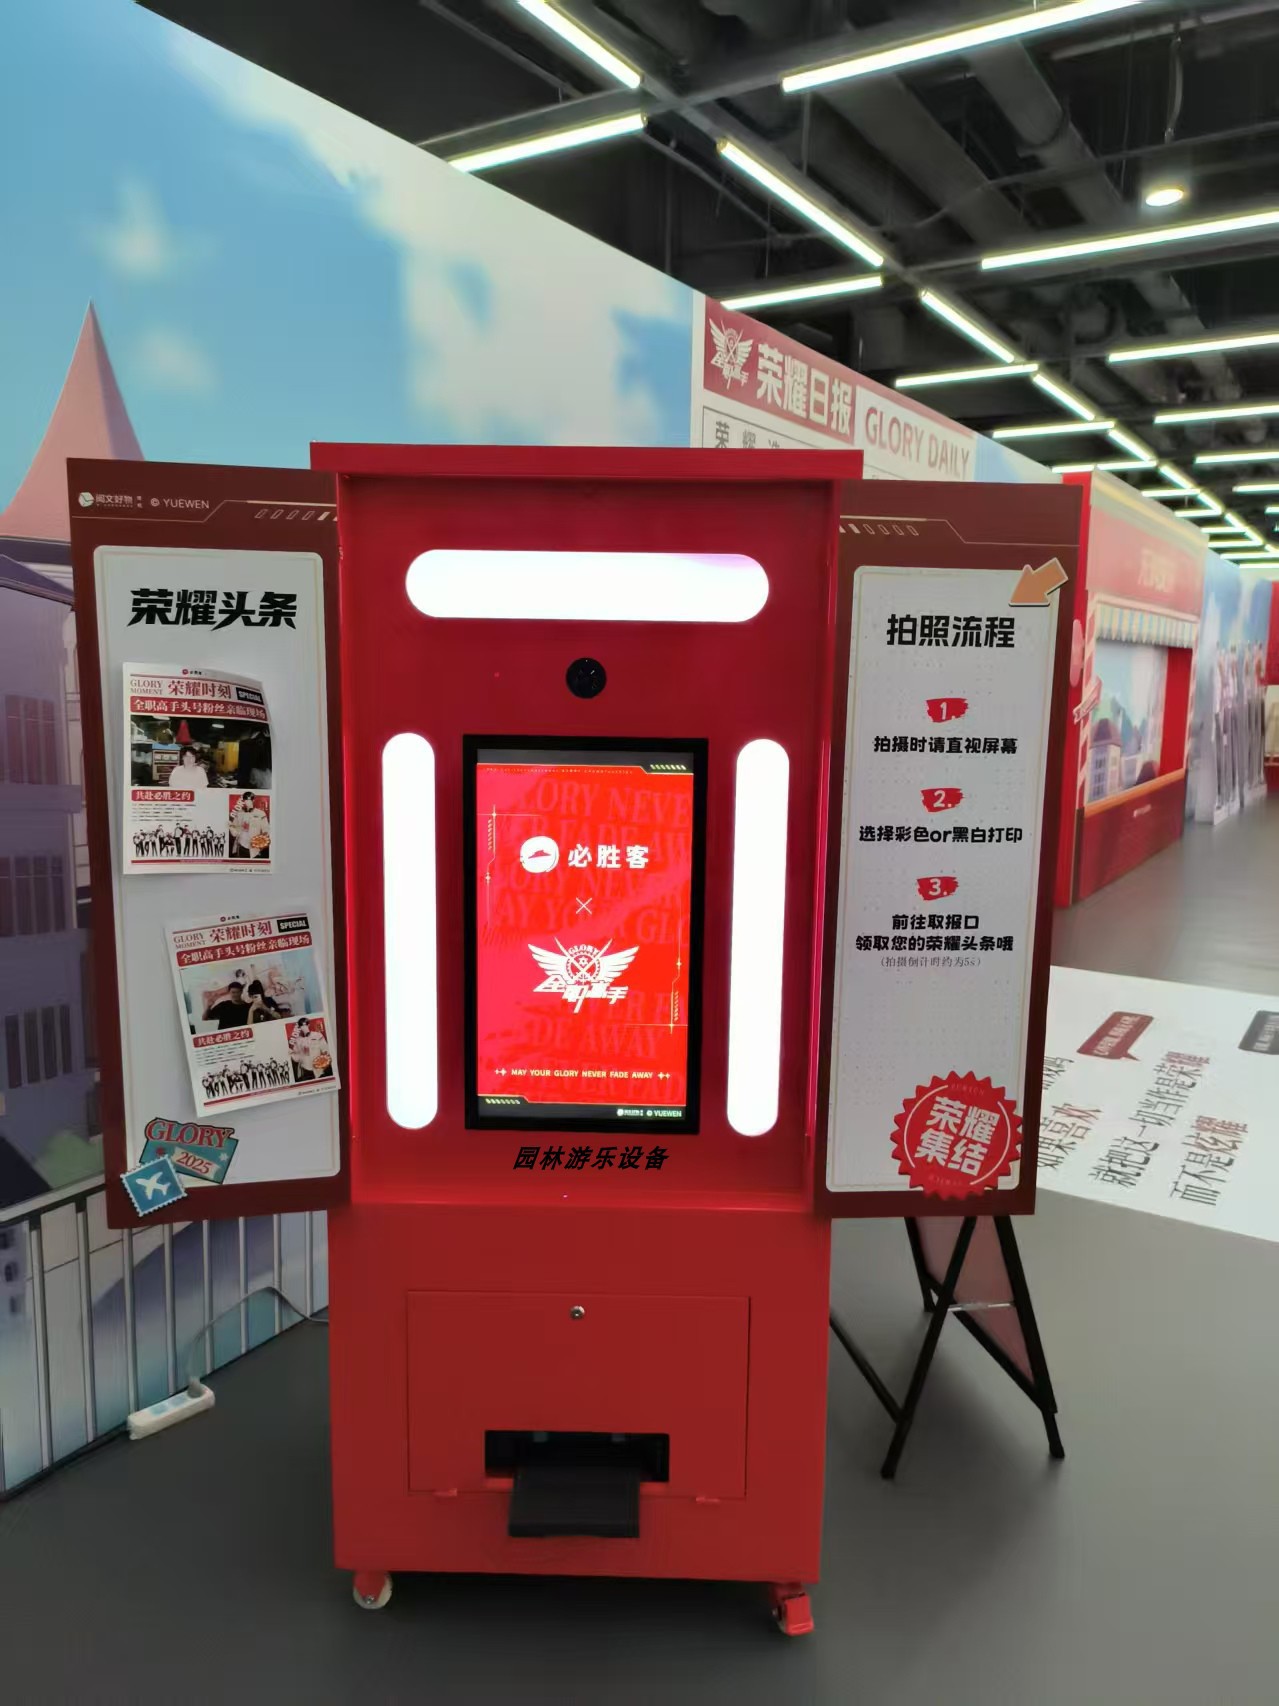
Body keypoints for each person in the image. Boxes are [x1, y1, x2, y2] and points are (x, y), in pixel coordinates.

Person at [229, 791, 270, 859]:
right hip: (240, 846)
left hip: (254, 848)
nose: (246, 802)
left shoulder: (261, 813)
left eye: (248, 800)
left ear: (253, 800)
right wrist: (231, 827)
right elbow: (234, 830)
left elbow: (266, 829)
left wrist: (261, 841)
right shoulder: (239, 813)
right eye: (245, 800)